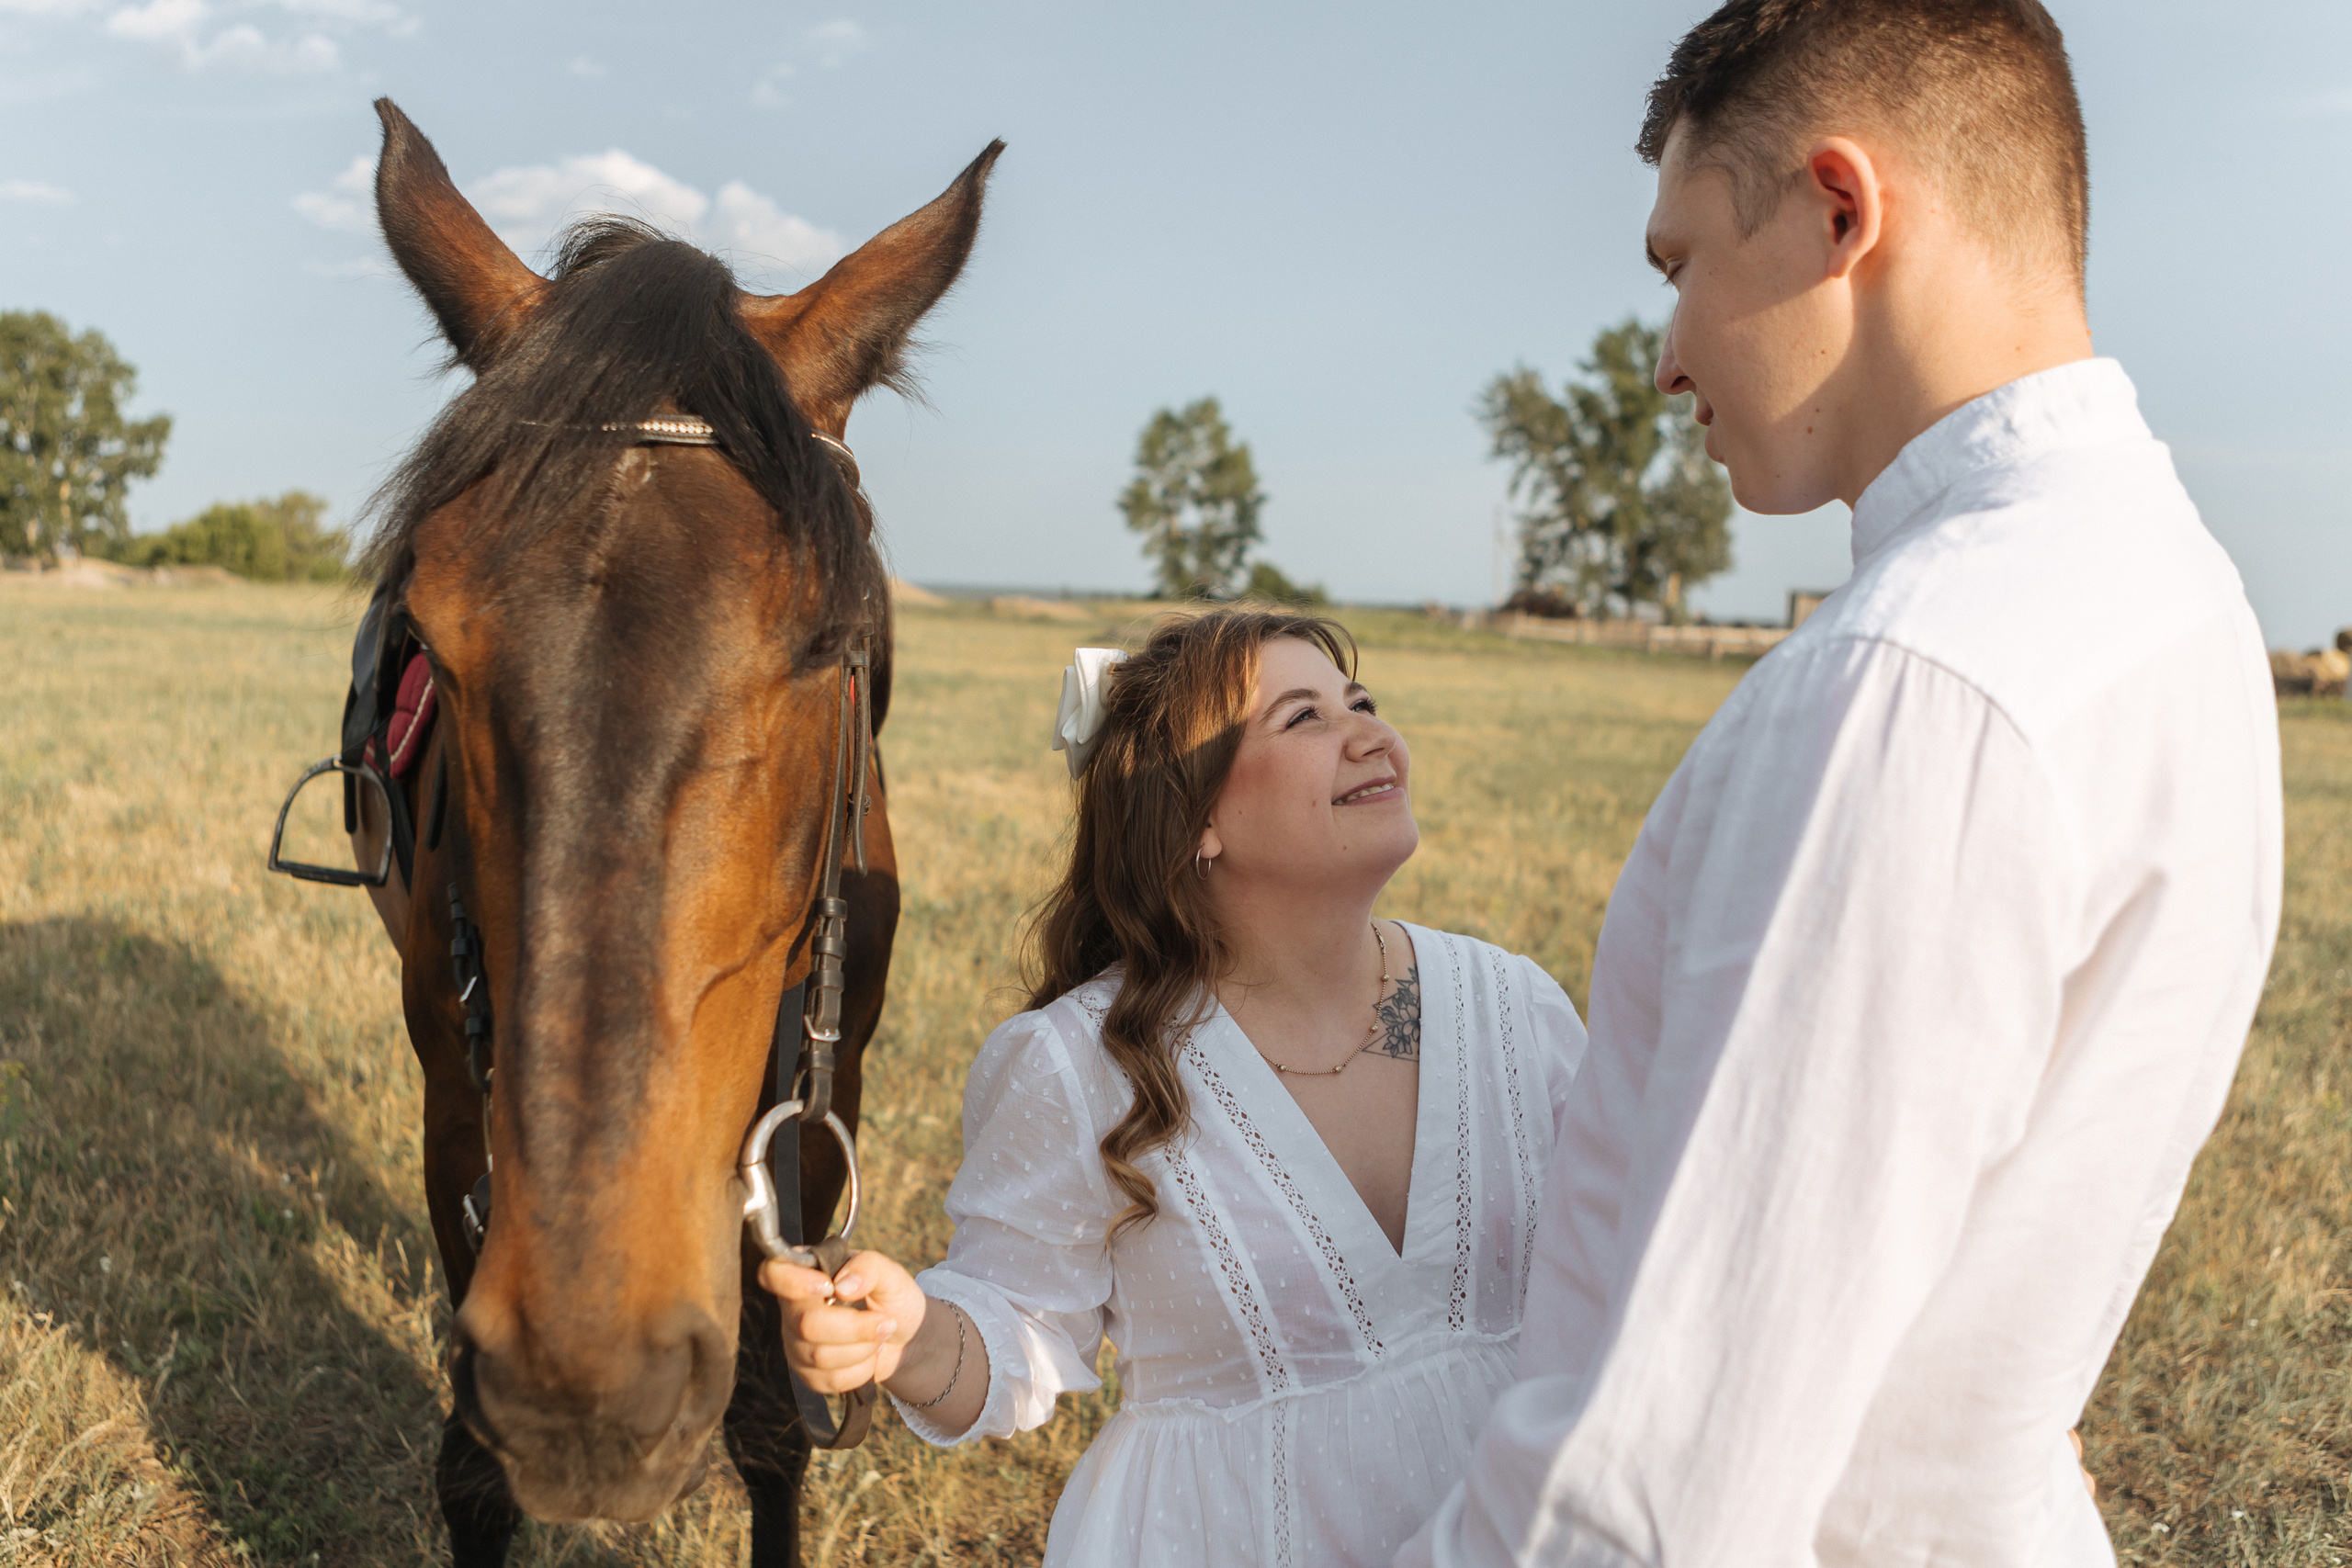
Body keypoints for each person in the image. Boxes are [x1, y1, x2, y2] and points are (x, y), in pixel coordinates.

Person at [1403, 3, 2282, 1564]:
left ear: (1837, 209)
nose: (1666, 361)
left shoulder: (1913, 677)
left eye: (1679, 263)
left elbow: (1665, 1495)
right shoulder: (2176, 592)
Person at [763, 609, 1590, 1567]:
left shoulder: (1511, 1006)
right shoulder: (1085, 1065)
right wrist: (905, 1341)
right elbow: (1022, 1329)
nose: (1370, 733)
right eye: (1305, 717)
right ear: (1198, 819)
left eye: (1362, 702)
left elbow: (1627, 1251)